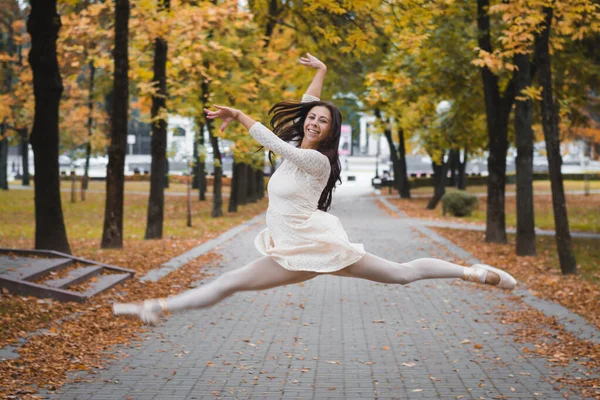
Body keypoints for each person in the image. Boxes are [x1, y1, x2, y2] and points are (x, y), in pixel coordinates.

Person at [113, 53, 516, 325]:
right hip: (292, 251)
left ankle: (471, 272)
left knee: (401, 274)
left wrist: (237, 114)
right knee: (228, 283)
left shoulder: (315, 160)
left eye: (323, 122)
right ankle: (155, 308)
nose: (314, 123)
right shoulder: (297, 146)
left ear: (330, 133)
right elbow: (307, 106)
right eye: (312, 118)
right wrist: (320, 71)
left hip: (314, 248)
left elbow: (272, 142)